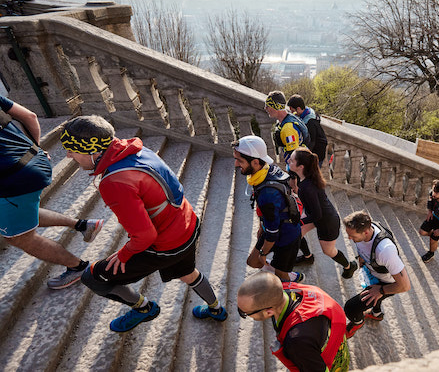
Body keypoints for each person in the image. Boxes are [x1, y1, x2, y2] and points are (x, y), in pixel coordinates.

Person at [62, 115, 226, 332]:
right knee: (188, 273)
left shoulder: (114, 182)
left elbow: (145, 236)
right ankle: (216, 309)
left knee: (92, 277)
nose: (68, 154)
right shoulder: (134, 149)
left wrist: (123, 254)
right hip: (187, 225)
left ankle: (144, 308)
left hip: (165, 245)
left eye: (73, 150)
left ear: (93, 151)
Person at [1, 95, 103, 290]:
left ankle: (78, 267)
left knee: (18, 237)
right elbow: (30, 116)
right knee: (21, 211)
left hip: (13, 179)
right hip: (35, 159)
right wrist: (36, 148)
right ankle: (82, 225)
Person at [237, 272, 349, 372]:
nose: (243, 313)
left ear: (269, 311)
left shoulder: (296, 341)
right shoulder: (288, 290)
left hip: (333, 363)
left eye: (245, 313)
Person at [233, 135, 303, 282]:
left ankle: (289, 278)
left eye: (240, 161)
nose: (236, 164)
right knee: (253, 262)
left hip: (287, 237)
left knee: (281, 276)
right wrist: (261, 227)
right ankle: (280, 269)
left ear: (256, 162)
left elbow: (272, 232)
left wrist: (264, 253)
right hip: (273, 226)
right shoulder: (267, 169)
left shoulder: (267, 194)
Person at [288, 147, 357, 278]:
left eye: (291, 160)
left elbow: (317, 215)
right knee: (296, 233)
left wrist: (300, 220)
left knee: (328, 251)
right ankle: (307, 257)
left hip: (326, 223)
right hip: (318, 216)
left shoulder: (307, 187)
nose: (288, 161)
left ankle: (349, 266)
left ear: (300, 166)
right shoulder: (306, 177)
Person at [342, 210, 410, 338]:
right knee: (374, 298)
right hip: (373, 274)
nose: (349, 238)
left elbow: (405, 286)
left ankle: (358, 322)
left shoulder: (385, 250)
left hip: (386, 283)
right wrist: (362, 260)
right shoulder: (366, 228)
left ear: (366, 232)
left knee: (351, 308)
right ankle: (376, 314)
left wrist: (381, 290)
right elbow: (363, 246)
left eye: (353, 236)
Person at [264, 91, 309, 165]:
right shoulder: (290, 117)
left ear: (276, 107)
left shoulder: (288, 128)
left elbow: (294, 155)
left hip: (298, 165)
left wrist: (293, 174)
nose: (265, 108)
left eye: (267, 105)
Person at [287, 95, 328, 166]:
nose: (292, 113)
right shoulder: (308, 112)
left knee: (312, 175)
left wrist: (303, 156)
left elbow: (311, 141)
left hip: (317, 152)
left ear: (299, 109)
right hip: (316, 149)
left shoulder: (310, 122)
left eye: (293, 111)